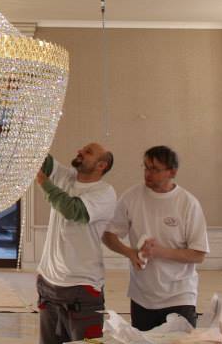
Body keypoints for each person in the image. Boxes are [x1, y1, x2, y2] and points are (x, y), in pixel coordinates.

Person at [103, 145, 208, 331]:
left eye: (155, 169)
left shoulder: (188, 203)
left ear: (172, 172)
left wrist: (157, 252)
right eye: (145, 167)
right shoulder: (131, 197)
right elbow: (109, 235)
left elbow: (198, 254)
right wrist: (130, 253)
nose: (148, 174)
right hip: (142, 297)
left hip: (180, 296)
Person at [36, 143, 117, 344]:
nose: (79, 151)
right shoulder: (66, 176)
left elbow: (74, 211)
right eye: (82, 148)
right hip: (48, 285)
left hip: (81, 289)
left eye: (88, 152)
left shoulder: (104, 192)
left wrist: (44, 183)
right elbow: (39, 158)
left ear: (101, 165)